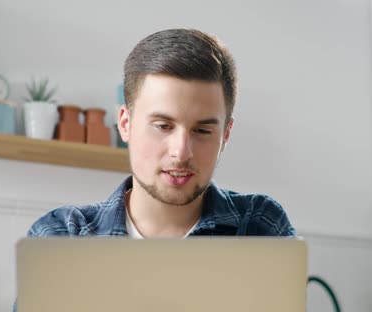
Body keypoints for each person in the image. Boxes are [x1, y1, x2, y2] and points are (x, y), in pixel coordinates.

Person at [28, 28, 296, 238]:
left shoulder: (259, 225)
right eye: (163, 126)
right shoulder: (62, 235)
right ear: (125, 124)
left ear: (225, 134)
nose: (181, 152)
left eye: (202, 130)